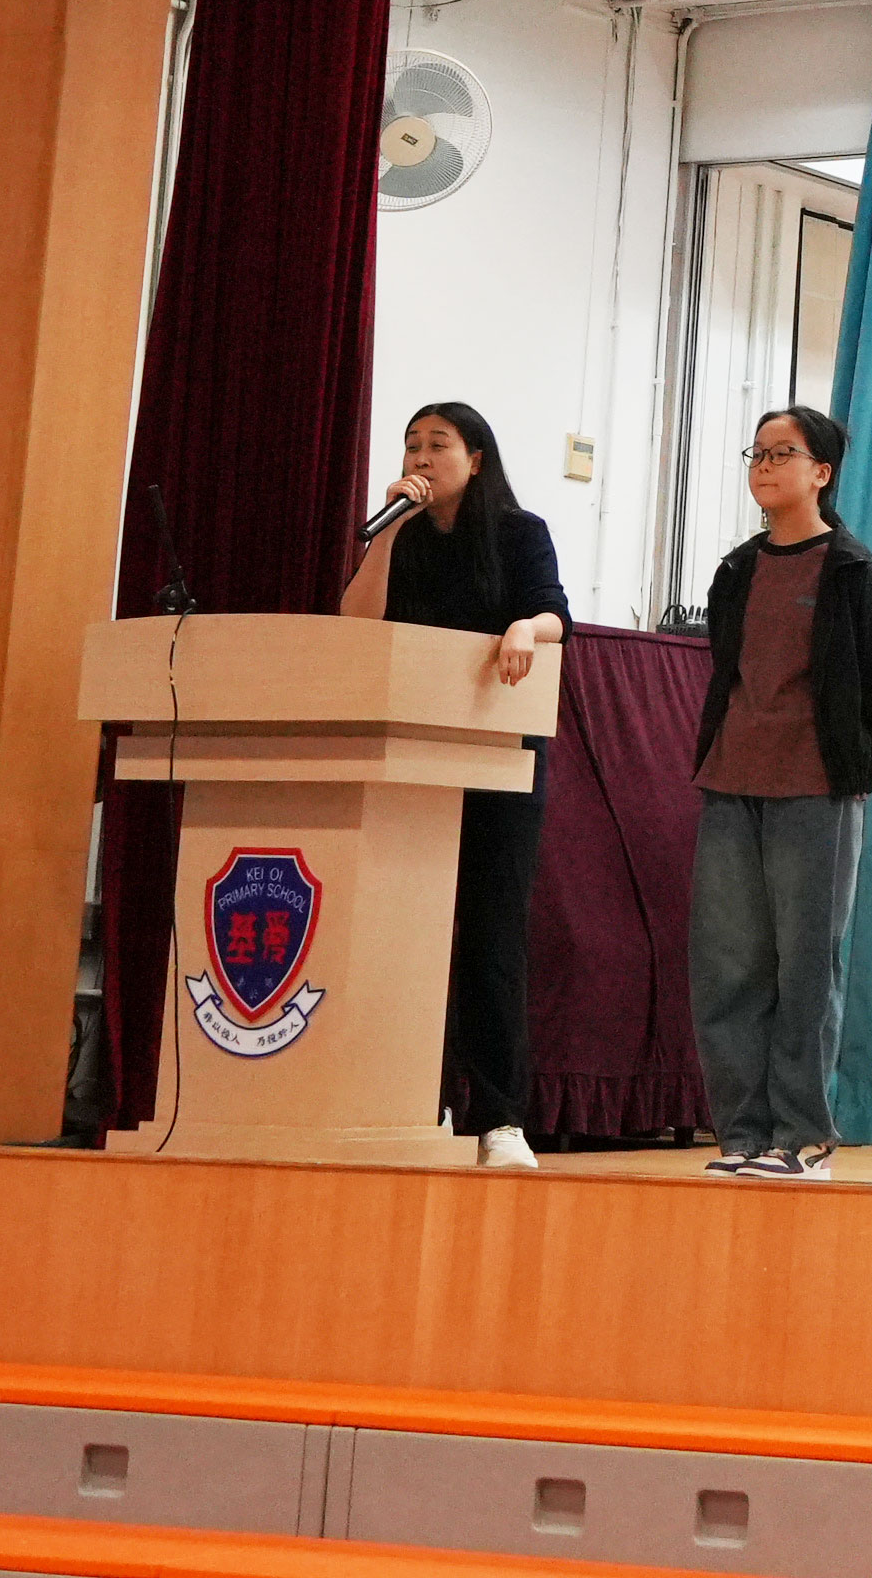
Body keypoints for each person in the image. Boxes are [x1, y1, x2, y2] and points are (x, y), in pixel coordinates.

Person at [339, 400, 569, 1171]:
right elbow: (357, 624)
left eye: (438, 444)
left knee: (490, 938)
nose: (421, 456)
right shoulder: (399, 537)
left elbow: (554, 616)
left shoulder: (519, 532)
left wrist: (522, 628)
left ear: (476, 460)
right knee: (403, 933)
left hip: (501, 754)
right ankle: (404, 1102)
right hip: (410, 760)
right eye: (412, 444)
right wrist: (387, 531)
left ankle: (501, 1119)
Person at [687, 401, 872, 1182]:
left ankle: (804, 1137)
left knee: (806, 968)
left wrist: (850, 770)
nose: (764, 466)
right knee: (727, 968)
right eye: (756, 453)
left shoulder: (852, 571)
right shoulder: (736, 570)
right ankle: (742, 1134)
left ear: (821, 471)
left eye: (781, 453)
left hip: (816, 790)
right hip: (730, 782)